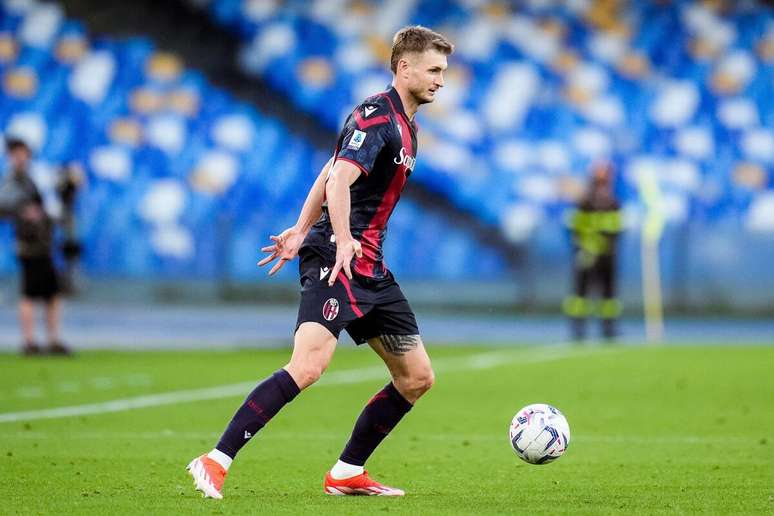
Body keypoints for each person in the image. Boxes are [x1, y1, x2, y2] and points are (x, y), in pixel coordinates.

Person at [187, 25, 453, 499]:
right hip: (337, 258)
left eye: (443, 71)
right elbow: (338, 182)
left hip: (368, 265)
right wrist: (335, 237)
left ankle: (347, 472)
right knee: (308, 366)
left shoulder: (407, 124)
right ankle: (215, 459)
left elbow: (330, 170)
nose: (440, 80)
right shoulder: (377, 117)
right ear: (403, 67)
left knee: (416, 377)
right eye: (433, 70)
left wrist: (298, 227)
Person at [0, 138, 70, 355]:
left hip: (45, 243)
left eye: (24, 153)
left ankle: (52, 339)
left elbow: (54, 199)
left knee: (52, 293)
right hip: (28, 245)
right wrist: (24, 212)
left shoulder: (36, 176)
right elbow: (5, 206)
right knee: (30, 293)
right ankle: (29, 341)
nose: (21, 157)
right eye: (17, 153)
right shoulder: (12, 180)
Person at [563, 162, 623, 341]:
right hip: (586, 255)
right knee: (580, 294)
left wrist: (603, 247)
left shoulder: (613, 203)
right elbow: (575, 228)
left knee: (608, 295)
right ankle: (578, 328)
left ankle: (608, 327)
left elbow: (616, 230)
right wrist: (583, 249)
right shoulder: (584, 203)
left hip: (606, 256)